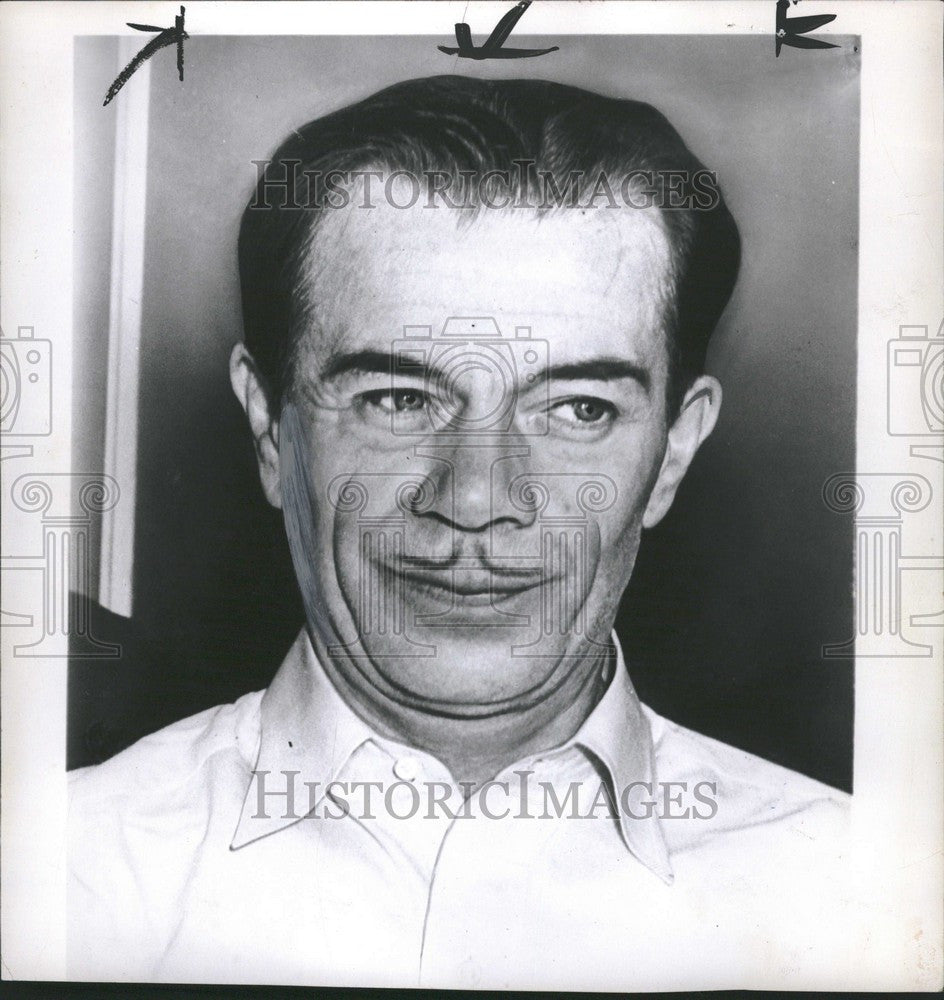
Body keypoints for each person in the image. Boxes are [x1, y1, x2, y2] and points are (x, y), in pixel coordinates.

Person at [68, 76, 848, 989]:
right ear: (270, 429)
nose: (478, 497)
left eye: (577, 409)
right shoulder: (69, 874)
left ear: (673, 452)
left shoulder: (853, 891)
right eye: (398, 399)